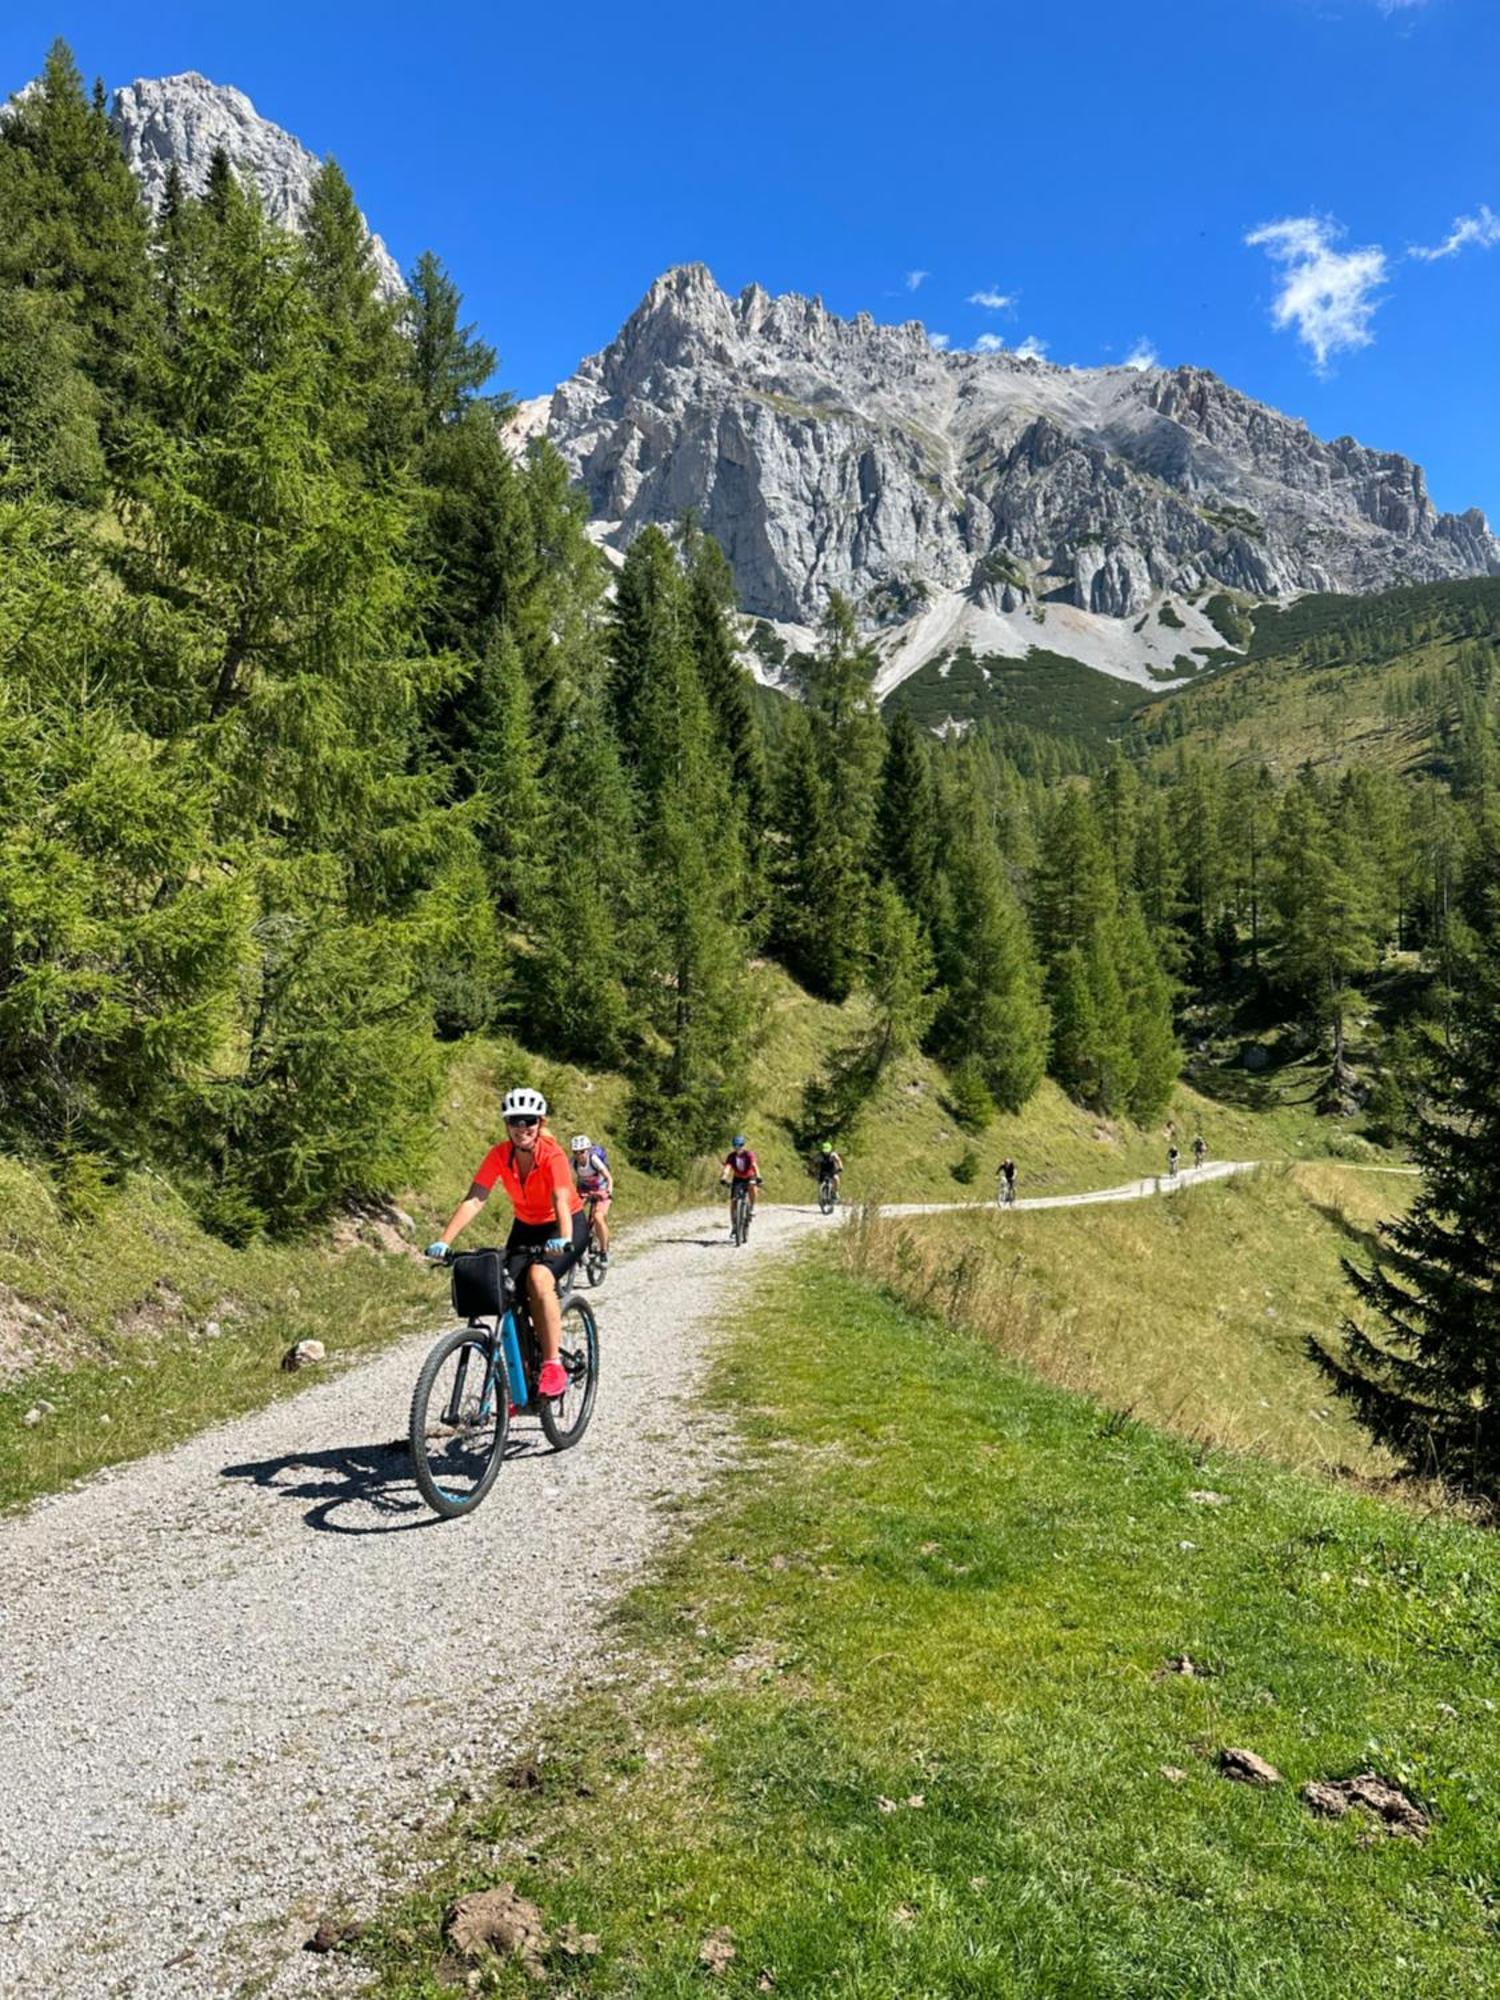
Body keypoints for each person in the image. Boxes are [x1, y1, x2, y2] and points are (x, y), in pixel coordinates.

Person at [426, 1086, 587, 1401]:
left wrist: (563, 1237)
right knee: (505, 1286)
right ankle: (523, 1368)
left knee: (539, 1279)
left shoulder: (552, 1155)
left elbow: (561, 1198)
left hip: (565, 1222)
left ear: (539, 1123)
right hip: (526, 1227)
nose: (521, 1127)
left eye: (529, 1121)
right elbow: (475, 1198)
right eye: (515, 1120)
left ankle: (553, 1364)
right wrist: (443, 1241)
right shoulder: (499, 1155)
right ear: (506, 1124)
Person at [571, 1134, 613, 1262]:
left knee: (598, 1217)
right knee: (570, 1214)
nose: (579, 1155)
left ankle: (604, 1251)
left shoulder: (594, 1159)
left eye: (582, 1152)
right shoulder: (572, 1162)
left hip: (601, 1190)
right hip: (584, 1190)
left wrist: (608, 1191)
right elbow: (565, 1180)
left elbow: (608, 1177)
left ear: (588, 1150)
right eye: (576, 1152)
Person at [720, 1133, 761, 1216]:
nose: (738, 1147)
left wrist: (758, 1176)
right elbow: (728, 1167)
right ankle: (734, 1225)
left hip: (749, 1176)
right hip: (738, 1178)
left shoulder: (749, 1154)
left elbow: (754, 1165)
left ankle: (752, 1207)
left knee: (752, 1188)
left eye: (740, 1145)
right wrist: (724, 1177)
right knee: (733, 1202)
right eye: (735, 1145)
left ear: (743, 1145)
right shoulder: (731, 1156)